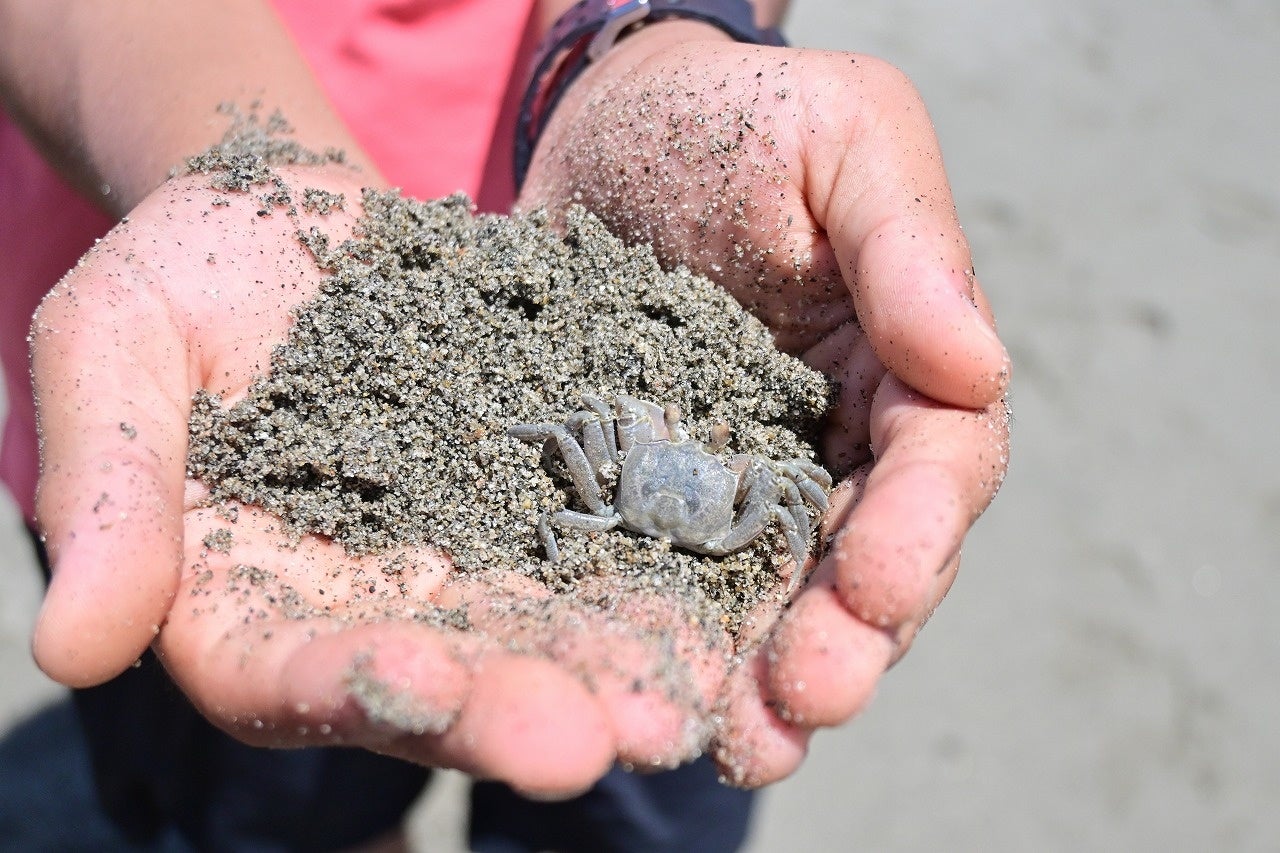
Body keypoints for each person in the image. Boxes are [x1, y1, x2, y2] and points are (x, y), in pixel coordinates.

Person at [0, 0, 1010, 849]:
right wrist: (230, 163)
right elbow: (555, 437)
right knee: (280, 815)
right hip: (213, 327)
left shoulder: (729, 480)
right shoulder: (596, 445)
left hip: (575, 202)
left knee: (630, 798)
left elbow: (787, 492)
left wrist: (652, 30)